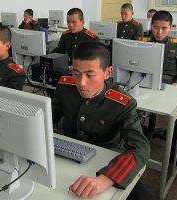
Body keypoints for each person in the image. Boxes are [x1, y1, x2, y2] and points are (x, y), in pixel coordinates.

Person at [52, 42, 151, 199]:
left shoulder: (122, 103)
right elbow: (48, 118)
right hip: (68, 154)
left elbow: (140, 148)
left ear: (107, 73)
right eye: (76, 73)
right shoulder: (65, 86)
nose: (81, 82)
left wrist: (107, 178)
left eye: (90, 75)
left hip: (106, 160)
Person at [137, 10, 177, 168]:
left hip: (169, 85)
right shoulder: (142, 40)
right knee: (125, 103)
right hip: (145, 83)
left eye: (164, 28)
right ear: (152, 25)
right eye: (156, 27)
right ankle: (130, 146)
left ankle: (176, 153)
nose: (159, 32)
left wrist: (176, 84)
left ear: (170, 28)